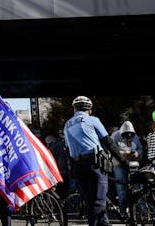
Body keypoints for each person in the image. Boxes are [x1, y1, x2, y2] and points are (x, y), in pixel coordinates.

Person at [63, 95, 111, 226]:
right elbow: (108, 141)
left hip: (78, 166)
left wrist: (72, 169)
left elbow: (67, 150)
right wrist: (124, 162)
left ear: (74, 109)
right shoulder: (92, 120)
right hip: (94, 164)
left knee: (91, 202)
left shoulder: (67, 124)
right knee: (99, 202)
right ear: (89, 110)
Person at [110, 120, 143, 214]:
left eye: (130, 134)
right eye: (126, 134)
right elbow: (110, 149)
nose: (128, 136)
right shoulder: (115, 136)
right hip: (119, 165)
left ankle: (141, 211)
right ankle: (123, 212)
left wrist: (137, 153)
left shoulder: (135, 136)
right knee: (122, 189)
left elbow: (140, 148)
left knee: (137, 187)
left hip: (133, 164)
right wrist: (122, 154)